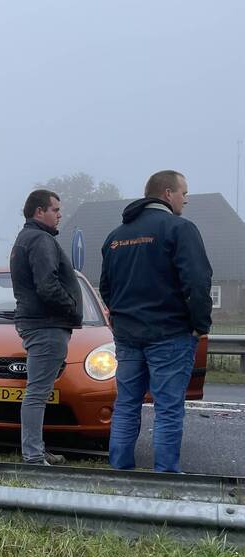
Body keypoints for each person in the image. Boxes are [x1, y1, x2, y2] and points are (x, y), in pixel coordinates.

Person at [99, 170, 212, 473]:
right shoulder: (179, 229)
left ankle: (119, 472)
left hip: (128, 336)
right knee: (168, 409)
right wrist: (200, 325)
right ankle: (165, 478)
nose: (185, 199)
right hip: (170, 334)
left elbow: (106, 289)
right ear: (167, 194)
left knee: (125, 405)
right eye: (183, 193)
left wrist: (123, 320)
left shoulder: (115, 238)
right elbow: (198, 283)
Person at [9, 189, 83, 465]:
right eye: (55, 209)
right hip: (47, 324)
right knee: (38, 393)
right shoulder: (40, 239)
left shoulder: (25, 238)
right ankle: (33, 456)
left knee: (38, 391)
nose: (59, 214)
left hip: (38, 322)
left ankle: (37, 448)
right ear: (39, 211)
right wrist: (71, 307)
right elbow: (47, 285)